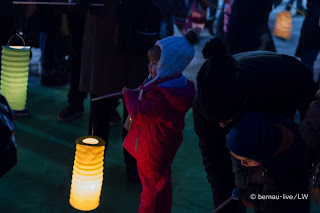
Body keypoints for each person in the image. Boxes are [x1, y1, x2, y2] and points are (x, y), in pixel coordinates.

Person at [193, 37, 317, 212]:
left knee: (286, 181)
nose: (221, 126)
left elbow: (302, 134)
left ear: (242, 103)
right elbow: (214, 160)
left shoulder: (274, 86)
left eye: (227, 120)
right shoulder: (203, 103)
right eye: (216, 121)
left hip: (287, 90)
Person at [79, 0, 162, 182]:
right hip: (106, 26)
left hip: (135, 25)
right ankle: (94, 162)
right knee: (103, 101)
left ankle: (132, 163)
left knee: (133, 104)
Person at [122, 30, 197, 213]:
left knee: (151, 191)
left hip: (153, 151)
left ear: (168, 65)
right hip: (160, 148)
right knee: (159, 183)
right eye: (150, 62)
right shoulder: (171, 86)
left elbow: (139, 113)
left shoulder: (163, 96)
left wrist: (128, 95)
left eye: (155, 63)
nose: (150, 66)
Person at [226, 112, 310, 213]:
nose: (243, 163)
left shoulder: (282, 171)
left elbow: (271, 202)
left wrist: (249, 197)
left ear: (261, 152)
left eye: (248, 160)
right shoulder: (279, 137)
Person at [295, 0, 320, 76]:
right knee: (307, 59)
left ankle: (307, 84)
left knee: (307, 60)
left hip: (313, 31)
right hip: (312, 27)